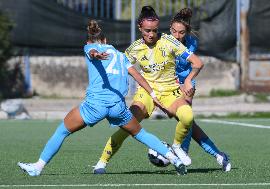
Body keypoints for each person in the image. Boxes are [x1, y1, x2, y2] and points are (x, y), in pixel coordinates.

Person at [17, 19, 188, 176]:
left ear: (89, 41)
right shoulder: (121, 56)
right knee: (140, 133)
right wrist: (152, 94)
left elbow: (91, 51)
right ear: (106, 41)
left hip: (95, 105)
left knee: (62, 130)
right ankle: (175, 159)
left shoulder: (90, 48)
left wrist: (94, 54)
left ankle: (37, 167)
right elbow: (137, 76)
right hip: (118, 107)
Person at [93, 6, 204, 174]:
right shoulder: (134, 48)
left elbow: (197, 62)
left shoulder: (169, 41)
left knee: (187, 116)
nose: (151, 34)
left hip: (169, 91)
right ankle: (102, 162)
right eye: (147, 31)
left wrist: (188, 80)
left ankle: (176, 146)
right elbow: (118, 68)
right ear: (140, 28)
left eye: (154, 30)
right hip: (146, 92)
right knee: (127, 126)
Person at [169, 8, 231, 172]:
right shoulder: (165, 42)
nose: (177, 36)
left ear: (187, 32)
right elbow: (166, 68)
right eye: (174, 31)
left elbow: (194, 66)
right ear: (169, 29)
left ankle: (183, 154)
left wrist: (186, 83)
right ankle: (218, 155)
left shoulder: (192, 43)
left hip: (186, 82)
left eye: (181, 32)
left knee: (187, 121)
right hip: (167, 83)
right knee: (190, 124)